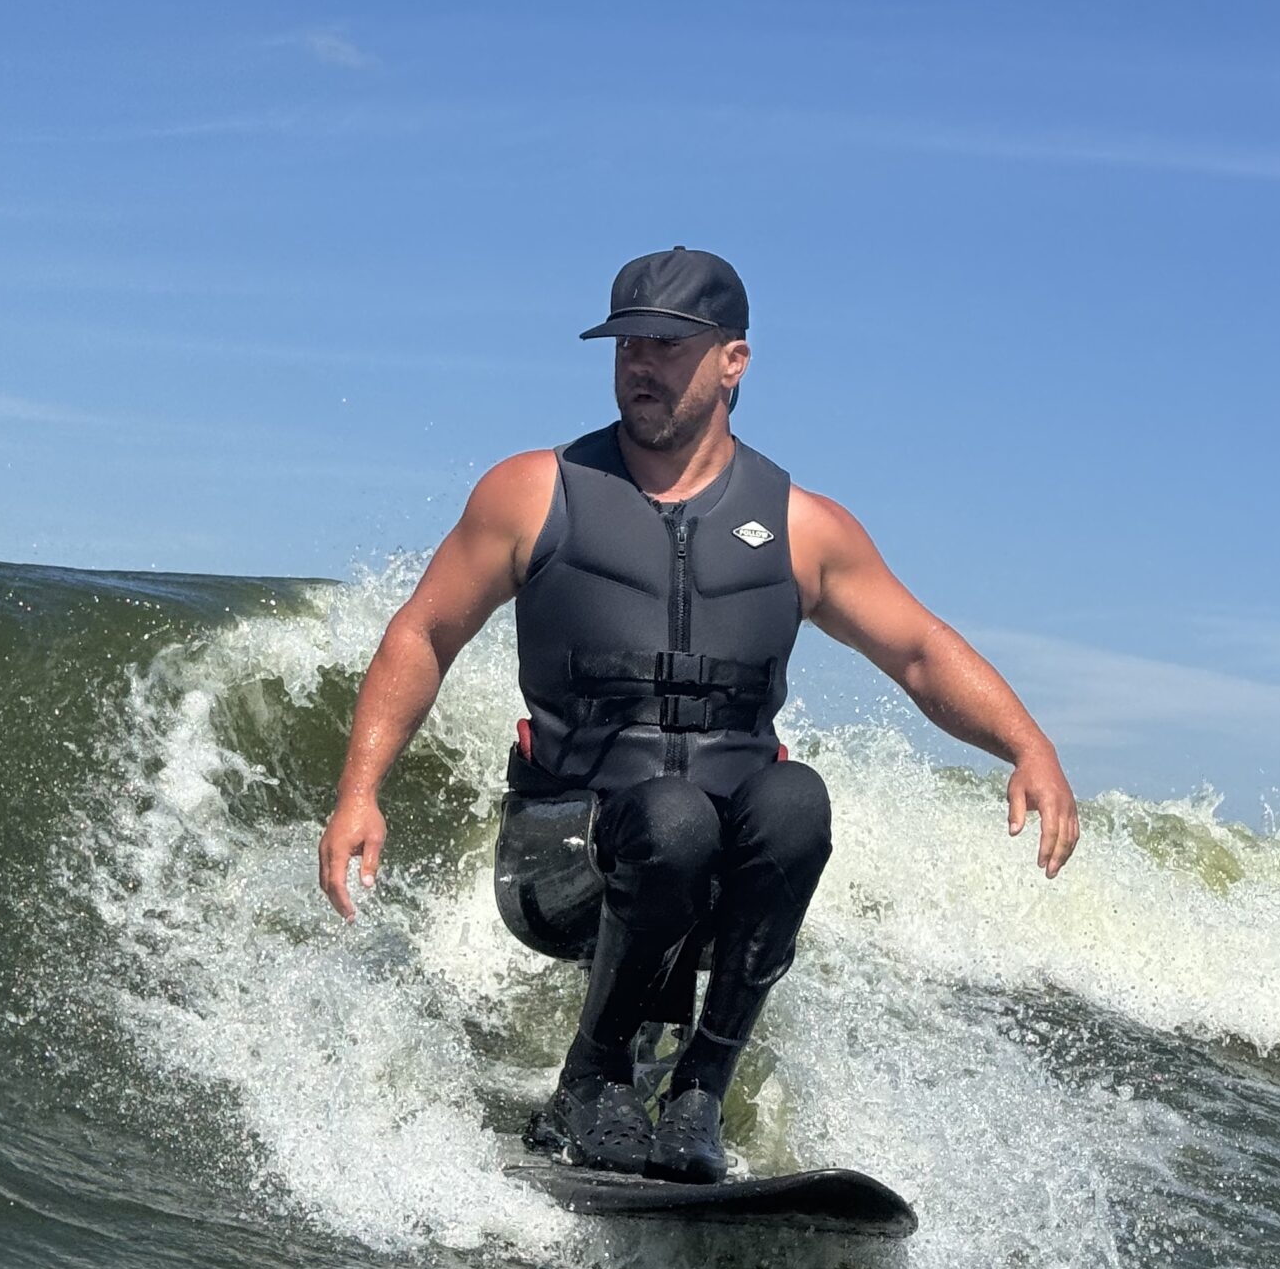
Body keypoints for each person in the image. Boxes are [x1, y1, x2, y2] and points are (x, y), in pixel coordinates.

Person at [318, 247, 1078, 1184]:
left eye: (669, 345)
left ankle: (696, 1096)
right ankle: (588, 1087)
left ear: (734, 360)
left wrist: (1028, 745)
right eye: (627, 342)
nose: (641, 362)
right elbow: (423, 634)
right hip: (562, 862)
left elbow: (920, 651)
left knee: (794, 800)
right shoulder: (533, 492)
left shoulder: (802, 526)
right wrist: (360, 790)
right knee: (672, 820)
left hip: (712, 884)